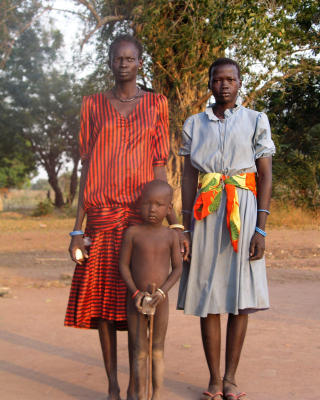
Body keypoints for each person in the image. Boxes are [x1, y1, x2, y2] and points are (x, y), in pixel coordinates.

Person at [64, 35, 186, 400]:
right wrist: (76, 227)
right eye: (118, 58)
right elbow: (87, 167)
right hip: (100, 218)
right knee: (102, 307)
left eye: (130, 58)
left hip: (142, 219)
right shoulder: (92, 105)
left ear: (140, 63)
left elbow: (159, 168)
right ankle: (113, 386)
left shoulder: (156, 105)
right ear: (109, 62)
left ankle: (136, 385)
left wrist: (174, 223)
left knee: (140, 300)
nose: (123, 64)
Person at [177, 58, 275, 400]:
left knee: (240, 297)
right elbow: (189, 176)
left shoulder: (255, 121)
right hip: (206, 212)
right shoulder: (194, 123)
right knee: (209, 296)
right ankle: (214, 380)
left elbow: (265, 175)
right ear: (210, 84)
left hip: (244, 212)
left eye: (230, 79)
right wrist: (185, 225)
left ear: (239, 82)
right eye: (217, 80)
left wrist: (260, 228)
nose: (224, 85)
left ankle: (231, 378)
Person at [119, 179, 183, 400]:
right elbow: (123, 266)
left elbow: (177, 269)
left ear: (169, 208)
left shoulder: (171, 236)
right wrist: (135, 293)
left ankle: (156, 395)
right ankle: (138, 394)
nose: (152, 209)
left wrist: (162, 292)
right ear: (139, 204)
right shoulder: (133, 233)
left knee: (157, 351)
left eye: (158, 204)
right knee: (139, 352)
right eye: (147, 203)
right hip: (135, 300)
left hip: (160, 301)